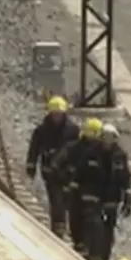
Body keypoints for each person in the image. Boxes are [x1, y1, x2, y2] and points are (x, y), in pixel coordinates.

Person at [53, 117, 111, 260]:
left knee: (92, 221)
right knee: (78, 218)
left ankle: (92, 251)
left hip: (93, 192)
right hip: (79, 190)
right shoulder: (77, 149)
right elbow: (59, 164)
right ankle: (84, 247)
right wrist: (67, 181)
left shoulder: (103, 153)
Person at [25, 96, 80, 237]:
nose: (57, 117)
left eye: (59, 114)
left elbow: (81, 151)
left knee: (69, 200)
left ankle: (70, 229)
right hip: (50, 171)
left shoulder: (73, 130)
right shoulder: (42, 130)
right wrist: (31, 166)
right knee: (56, 199)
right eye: (54, 114)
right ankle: (58, 227)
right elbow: (34, 148)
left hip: (69, 172)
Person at [100, 123, 131, 260]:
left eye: (110, 137)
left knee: (109, 227)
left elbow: (125, 177)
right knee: (94, 225)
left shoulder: (120, 155)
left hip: (113, 197)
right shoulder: (94, 152)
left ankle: (104, 255)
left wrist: (127, 198)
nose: (107, 140)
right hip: (96, 196)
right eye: (105, 137)